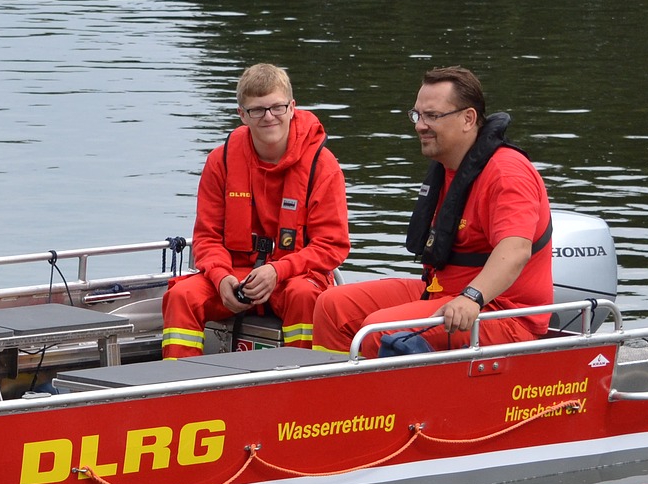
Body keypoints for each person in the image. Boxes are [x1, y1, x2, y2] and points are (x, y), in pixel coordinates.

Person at [313, 66, 552, 356]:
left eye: (432, 116)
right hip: (442, 291)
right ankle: (339, 395)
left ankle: (388, 401)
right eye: (417, 115)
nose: (420, 125)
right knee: (331, 306)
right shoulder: (449, 167)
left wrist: (472, 297)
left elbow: (516, 251)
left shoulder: (506, 173)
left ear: (468, 118)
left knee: (381, 330)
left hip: (502, 313)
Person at [161, 64, 349, 357]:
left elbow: (331, 246)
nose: (269, 117)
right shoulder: (220, 161)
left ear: (292, 107)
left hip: (293, 277)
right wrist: (222, 278)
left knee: (305, 296)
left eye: (277, 107)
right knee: (182, 295)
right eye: (257, 110)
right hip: (235, 275)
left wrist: (278, 270)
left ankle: (305, 384)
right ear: (242, 115)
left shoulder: (322, 166)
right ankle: (178, 388)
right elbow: (207, 238)